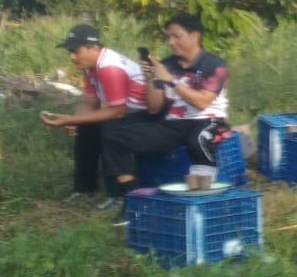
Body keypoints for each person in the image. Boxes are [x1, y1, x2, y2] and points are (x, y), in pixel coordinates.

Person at [101, 14, 232, 224]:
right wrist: (150, 78)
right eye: (169, 37)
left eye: (177, 36)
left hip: (209, 120)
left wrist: (169, 80)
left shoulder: (214, 65)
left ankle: (204, 201)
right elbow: (154, 108)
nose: (171, 42)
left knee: (197, 140)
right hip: (173, 123)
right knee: (114, 138)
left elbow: (202, 103)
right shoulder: (167, 64)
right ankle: (134, 200)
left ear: (195, 35)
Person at [38, 24, 152, 208]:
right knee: (86, 127)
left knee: (111, 129)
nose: (71, 57)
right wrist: (75, 121)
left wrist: (71, 119)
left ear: (93, 48)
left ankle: (119, 194)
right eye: (69, 51)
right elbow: (90, 100)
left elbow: (117, 111)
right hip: (127, 113)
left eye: (76, 51)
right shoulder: (91, 66)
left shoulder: (109, 67)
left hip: (145, 115)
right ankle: (84, 189)